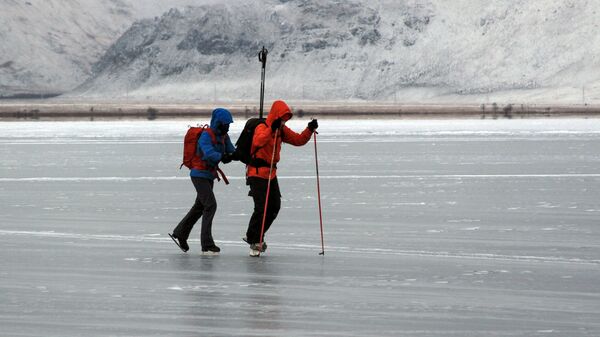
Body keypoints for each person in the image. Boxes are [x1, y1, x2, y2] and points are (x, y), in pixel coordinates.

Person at [244, 100, 318, 256]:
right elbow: (258, 141)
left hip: (271, 173)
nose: (284, 121)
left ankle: (255, 236)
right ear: (276, 115)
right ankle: (254, 239)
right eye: (283, 118)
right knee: (261, 208)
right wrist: (272, 128)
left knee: (274, 206)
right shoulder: (262, 127)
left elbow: (298, 140)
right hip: (256, 173)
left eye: (286, 119)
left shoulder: (281, 130)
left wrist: (309, 129)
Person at [169, 108, 237, 255]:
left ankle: (180, 232)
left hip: (209, 175)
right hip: (199, 174)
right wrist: (222, 157)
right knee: (210, 205)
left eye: (229, 124)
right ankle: (207, 244)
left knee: (200, 206)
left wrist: (242, 154)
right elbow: (209, 154)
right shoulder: (206, 136)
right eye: (226, 124)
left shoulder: (224, 137)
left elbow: (232, 151)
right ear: (218, 123)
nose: (228, 127)